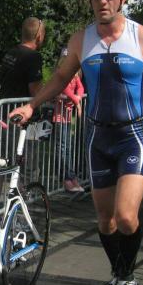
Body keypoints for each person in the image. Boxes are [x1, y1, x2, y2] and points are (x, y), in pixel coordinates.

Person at [9, 0, 143, 285]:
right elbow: (60, 78)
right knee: (105, 222)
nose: (102, 0)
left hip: (133, 136)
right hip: (98, 137)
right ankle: (118, 276)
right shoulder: (81, 40)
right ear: (90, 0)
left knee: (126, 217)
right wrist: (31, 106)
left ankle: (128, 280)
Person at [53, 55, 85, 193]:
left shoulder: (74, 76)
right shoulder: (61, 76)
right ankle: (65, 178)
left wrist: (77, 97)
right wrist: (77, 102)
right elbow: (64, 89)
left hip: (67, 117)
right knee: (62, 147)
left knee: (68, 147)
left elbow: (81, 88)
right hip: (59, 116)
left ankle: (71, 176)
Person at [0, 17, 46, 99]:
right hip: (21, 106)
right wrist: (52, 95)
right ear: (39, 37)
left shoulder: (11, 52)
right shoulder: (33, 57)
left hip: (3, 105)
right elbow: (35, 91)